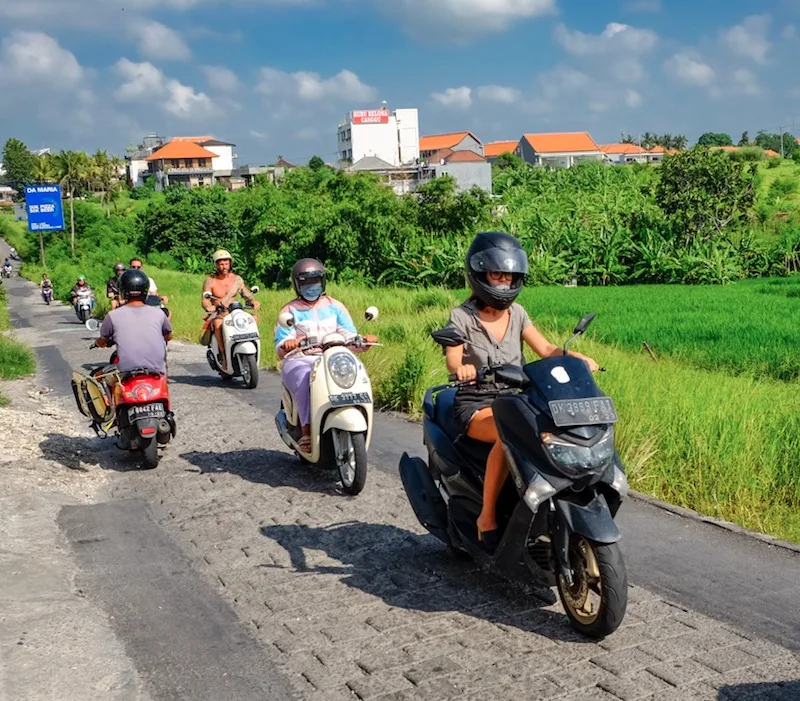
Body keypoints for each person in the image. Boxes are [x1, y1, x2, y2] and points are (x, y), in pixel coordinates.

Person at [444, 232, 599, 552]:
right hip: (477, 403)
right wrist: (462, 369)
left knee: (552, 430)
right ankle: (486, 517)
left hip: (519, 397)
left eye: (509, 276)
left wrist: (575, 358)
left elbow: (545, 348)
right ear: (480, 275)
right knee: (509, 434)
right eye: (496, 275)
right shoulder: (462, 317)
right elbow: (453, 358)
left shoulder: (519, 314)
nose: (503, 282)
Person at [274, 258, 377, 453]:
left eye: (315, 282)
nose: (311, 287)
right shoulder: (290, 310)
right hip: (301, 359)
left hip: (334, 357)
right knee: (306, 380)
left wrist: (363, 340)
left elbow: (348, 333)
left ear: (323, 282)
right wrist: (288, 344)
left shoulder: (335, 306)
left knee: (357, 372)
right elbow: (281, 344)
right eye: (306, 283)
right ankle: (306, 430)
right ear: (297, 285)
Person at [95, 269, 173, 376]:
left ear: (122, 291)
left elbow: (103, 340)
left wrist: (98, 343)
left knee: (100, 376)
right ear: (146, 291)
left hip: (126, 371)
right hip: (157, 371)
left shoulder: (113, 316)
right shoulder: (159, 313)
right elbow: (168, 336)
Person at [201, 249, 260, 372]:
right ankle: (223, 355)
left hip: (236, 312)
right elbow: (205, 299)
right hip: (220, 314)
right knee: (217, 324)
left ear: (230, 263)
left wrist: (253, 301)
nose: (224, 266)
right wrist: (208, 306)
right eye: (221, 264)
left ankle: (253, 351)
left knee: (253, 319)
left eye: (226, 263)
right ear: (216, 265)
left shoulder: (237, 279)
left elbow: (246, 294)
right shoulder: (210, 280)